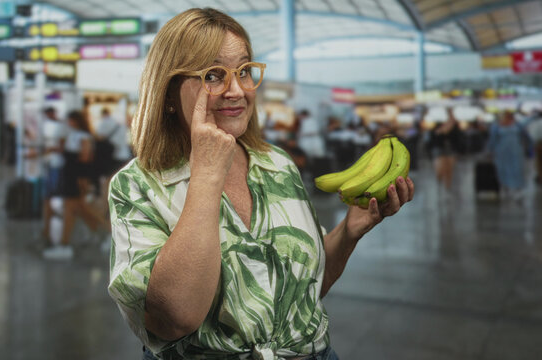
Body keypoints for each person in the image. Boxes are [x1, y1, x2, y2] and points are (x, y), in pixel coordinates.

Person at [107, 8, 414, 360]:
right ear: (169, 93)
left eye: (244, 71)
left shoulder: (277, 165)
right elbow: (176, 317)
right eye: (213, 75)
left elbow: (303, 289)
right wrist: (207, 175)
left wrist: (349, 232)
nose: (236, 90)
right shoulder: (136, 186)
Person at [43, 110, 108, 259]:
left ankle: (66, 244)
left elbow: (85, 157)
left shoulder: (83, 136)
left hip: (76, 178)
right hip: (72, 176)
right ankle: (102, 234)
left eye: (71, 120)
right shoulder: (73, 135)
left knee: (76, 209)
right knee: (80, 209)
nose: (69, 123)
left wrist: (68, 154)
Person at [488, 110, 532, 201]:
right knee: (503, 169)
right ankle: (506, 187)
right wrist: (490, 151)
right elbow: (493, 139)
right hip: (502, 151)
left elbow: (525, 136)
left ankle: (518, 188)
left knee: (517, 169)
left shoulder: (518, 125)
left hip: (516, 151)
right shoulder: (496, 126)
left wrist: (529, 147)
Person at [41, 107, 68, 246]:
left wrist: (52, 149)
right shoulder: (50, 126)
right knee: (50, 191)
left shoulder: (61, 127)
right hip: (51, 161)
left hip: (57, 162)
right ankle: (51, 212)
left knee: (54, 190)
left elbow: (63, 147)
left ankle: (56, 211)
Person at [428, 108, 462, 193]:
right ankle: (440, 182)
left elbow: (458, 138)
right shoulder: (437, 126)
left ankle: (447, 187)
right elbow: (435, 136)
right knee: (440, 169)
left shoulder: (454, 126)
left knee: (449, 170)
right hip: (439, 149)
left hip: (450, 150)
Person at [527, 110, 542, 184]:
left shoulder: (535, 124)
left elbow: (532, 135)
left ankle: (540, 176)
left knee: (539, 162)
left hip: (538, 144)